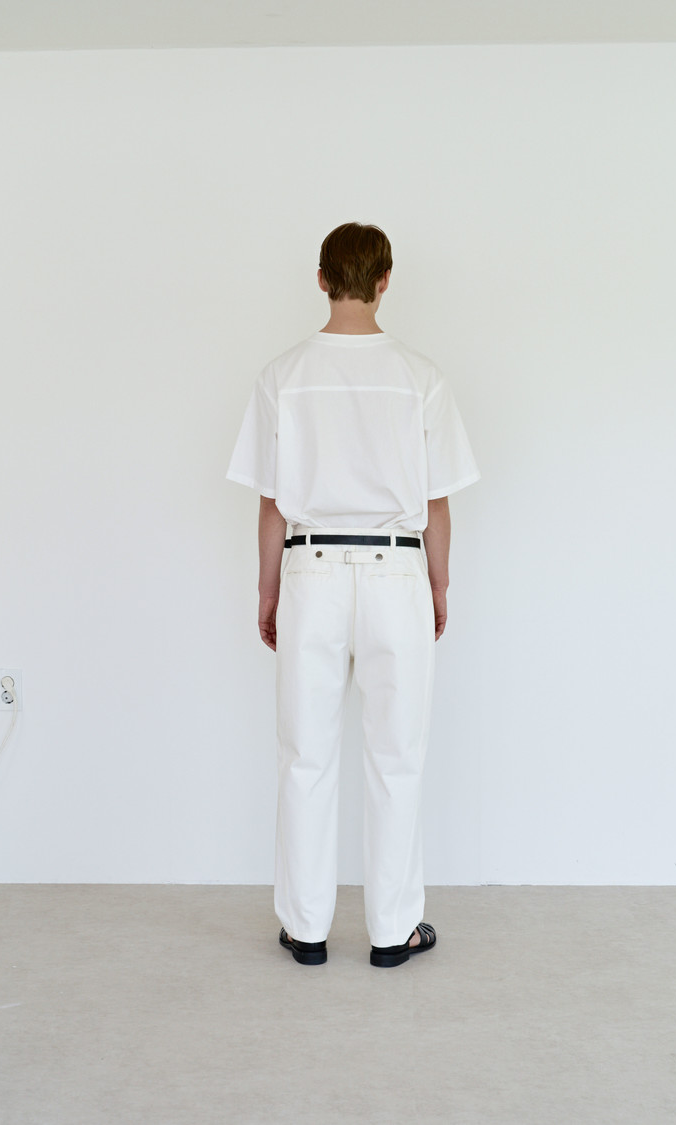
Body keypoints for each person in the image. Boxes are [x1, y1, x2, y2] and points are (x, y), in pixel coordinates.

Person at [226, 222, 479, 967]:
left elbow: (271, 502)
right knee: (397, 754)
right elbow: (436, 502)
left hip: (310, 570)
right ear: (385, 279)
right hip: (397, 570)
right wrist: (437, 582)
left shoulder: (283, 375)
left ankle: (306, 928)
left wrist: (268, 589)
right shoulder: (420, 376)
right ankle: (393, 930)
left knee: (304, 753)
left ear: (320, 278)